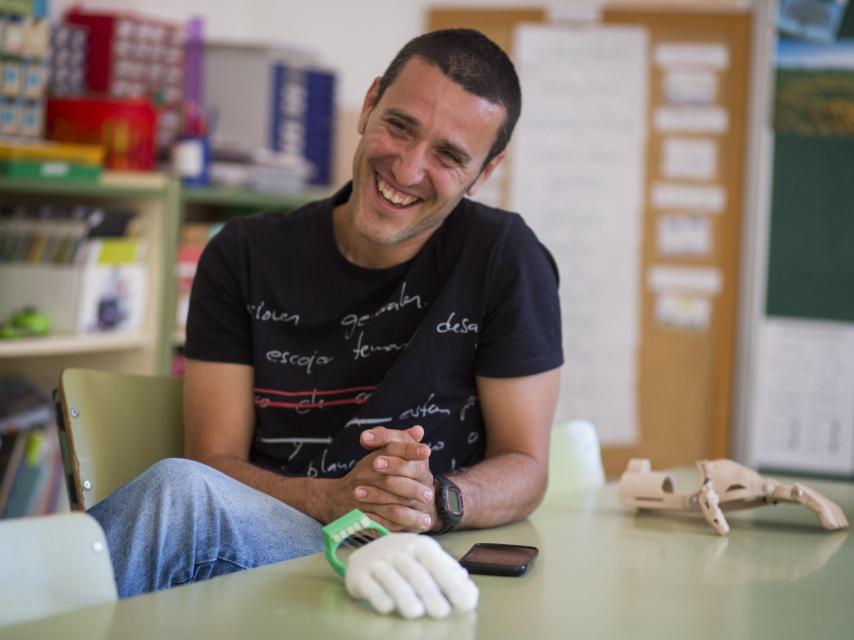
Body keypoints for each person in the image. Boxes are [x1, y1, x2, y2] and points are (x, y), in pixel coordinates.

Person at [89, 28, 563, 598]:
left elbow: (526, 465)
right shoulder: (242, 254)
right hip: (282, 541)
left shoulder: (505, 257)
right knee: (179, 491)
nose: (408, 170)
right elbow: (213, 463)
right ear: (368, 105)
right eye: (400, 126)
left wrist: (435, 500)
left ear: (485, 172)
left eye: (448, 156)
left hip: (421, 558)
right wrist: (336, 498)